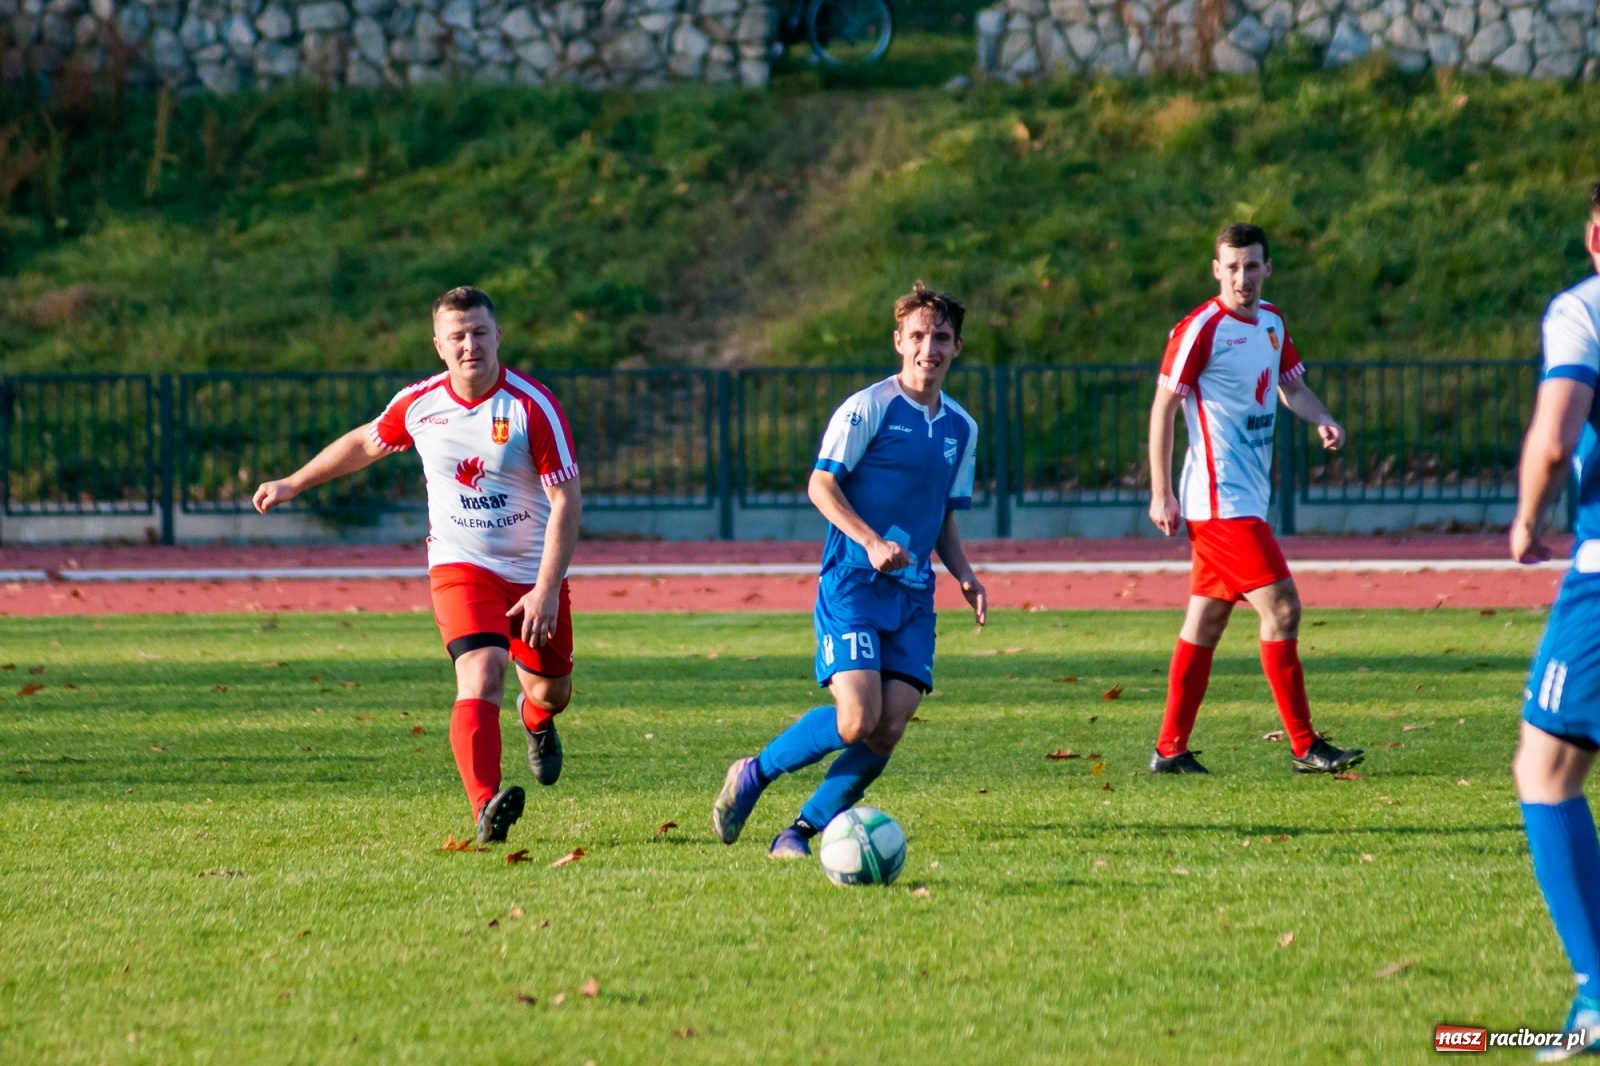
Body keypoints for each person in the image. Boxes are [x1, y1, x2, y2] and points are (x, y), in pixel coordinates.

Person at [252, 286, 581, 845]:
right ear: (438, 345)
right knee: (481, 672)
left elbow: (567, 502)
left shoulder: (531, 406)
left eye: (480, 333)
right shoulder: (420, 404)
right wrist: (293, 482)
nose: (470, 345)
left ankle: (536, 718)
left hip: (532, 573)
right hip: (461, 565)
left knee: (553, 691)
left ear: (498, 336)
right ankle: (486, 807)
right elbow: (366, 441)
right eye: (457, 336)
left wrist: (547, 589)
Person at [711, 282, 988, 858]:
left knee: (890, 727)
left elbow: (942, 515)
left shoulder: (962, 428)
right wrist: (869, 541)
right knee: (857, 718)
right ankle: (754, 774)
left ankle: (801, 832)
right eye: (917, 336)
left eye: (940, 338)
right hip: (854, 584)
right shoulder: (868, 408)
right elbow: (821, 484)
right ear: (898, 341)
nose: (927, 349)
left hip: (913, 596)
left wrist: (964, 572)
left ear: (957, 346)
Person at [1145, 223, 1363, 776]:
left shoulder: (1271, 322)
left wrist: (1324, 418)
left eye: (1252, 266)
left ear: (1268, 269)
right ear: (1217, 269)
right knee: (1284, 607)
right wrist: (1161, 491)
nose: (1242, 277)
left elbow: (1292, 386)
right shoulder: (1201, 329)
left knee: (1206, 623)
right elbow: (1163, 408)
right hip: (1218, 505)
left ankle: (1169, 748)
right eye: (1232, 267)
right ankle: (1304, 745)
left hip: (1245, 499)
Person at [1510, 180, 1600, 1062]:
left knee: (1547, 765)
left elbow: (1555, 436)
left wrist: (1529, 518)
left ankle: (1598, 992)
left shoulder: (1585, 310)